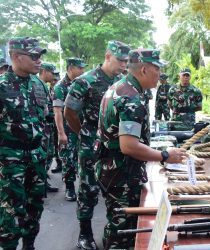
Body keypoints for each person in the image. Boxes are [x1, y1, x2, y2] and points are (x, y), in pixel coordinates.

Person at [96, 48, 187, 249]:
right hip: (122, 175)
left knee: (116, 222)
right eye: (157, 69)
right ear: (144, 69)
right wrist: (165, 155)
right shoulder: (131, 98)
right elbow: (129, 146)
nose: (160, 75)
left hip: (112, 169)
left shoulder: (120, 87)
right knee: (124, 232)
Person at [64, 41, 130, 250]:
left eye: (127, 61)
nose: (123, 65)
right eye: (120, 60)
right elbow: (69, 112)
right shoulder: (85, 81)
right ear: (108, 56)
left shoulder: (123, 82)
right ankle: (85, 234)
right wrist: (84, 133)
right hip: (90, 142)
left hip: (115, 143)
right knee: (88, 189)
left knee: (115, 188)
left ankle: (114, 233)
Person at [0, 37, 49, 250]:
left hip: (36, 157)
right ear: (16, 57)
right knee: (10, 213)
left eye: (40, 56)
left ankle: (30, 246)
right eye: (34, 56)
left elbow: (43, 118)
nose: (39, 61)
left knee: (34, 208)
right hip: (10, 161)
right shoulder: (2, 87)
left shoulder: (38, 84)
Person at [53, 58, 87, 201]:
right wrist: (61, 133)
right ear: (71, 68)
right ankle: (69, 187)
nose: (82, 71)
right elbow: (58, 112)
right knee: (68, 159)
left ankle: (86, 186)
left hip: (82, 128)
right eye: (80, 68)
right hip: (68, 130)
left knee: (85, 158)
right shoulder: (60, 87)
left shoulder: (83, 83)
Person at [39, 62, 60, 193]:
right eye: (52, 73)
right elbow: (43, 111)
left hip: (48, 126)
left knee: (49, 154)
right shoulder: (39, 85)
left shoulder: (43, 86)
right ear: (45, 72)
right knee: (44, 155)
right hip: (42, 128)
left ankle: (43, 181)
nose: (53, 76)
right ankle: (41, 183)